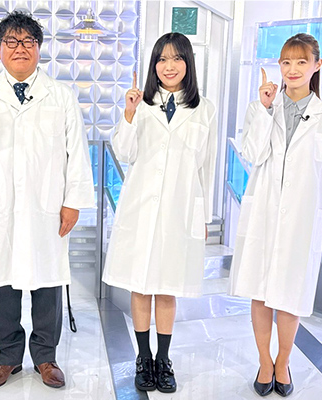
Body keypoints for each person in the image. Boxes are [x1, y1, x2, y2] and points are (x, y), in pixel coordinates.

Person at [0, 11, 95, 389]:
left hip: (47, 206)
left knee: (48, 282)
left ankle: (46, 356)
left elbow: (77, 152)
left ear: (39, 49)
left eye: (28, 41)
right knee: (2, 283)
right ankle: (7, 356)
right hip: (3, 208)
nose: (20, 48)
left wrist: (74, 201)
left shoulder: (60, 95)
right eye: (11, 42)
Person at [228, 33, 322, 397]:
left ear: (317, 65)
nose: (292, 70)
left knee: (290, 295)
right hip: (263, 214)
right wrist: (264, 110)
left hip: (299, 221)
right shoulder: (262, 108)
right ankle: (265, 363)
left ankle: (283, 362)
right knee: (260, 292)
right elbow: (251, 154)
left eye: (301, 62)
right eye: (286, 62)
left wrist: (305, 210)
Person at [102, 32, 217, 393]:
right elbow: (124, 152)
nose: (169, 66)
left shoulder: (204, 109)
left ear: (188, 64)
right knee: (140, 286)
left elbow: (207, 166)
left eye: (177, 59)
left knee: (168, 287)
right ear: (153, 66)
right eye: (162, 59)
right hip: (140, 210)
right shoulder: (141, 105)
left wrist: (204, 215)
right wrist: (129, 114)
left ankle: (163, 360)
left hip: (180, 211)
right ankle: (143, 358)